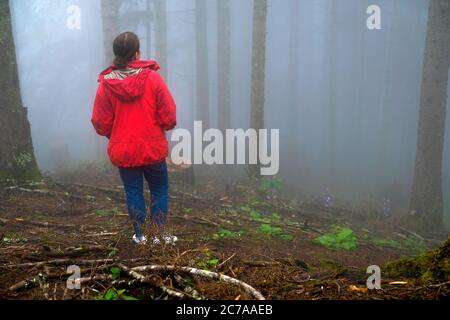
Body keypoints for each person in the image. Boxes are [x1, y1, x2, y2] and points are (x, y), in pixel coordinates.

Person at [91, 32, 177, 245]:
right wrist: (163, 127)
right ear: (137, 54)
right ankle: (158, 235)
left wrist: (117, 135)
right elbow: (169, 114)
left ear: (117, 54)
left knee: (133, 191)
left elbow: (100, 121)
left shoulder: (106, 84)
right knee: (159, 189)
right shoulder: (153, 78)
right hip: (152, 147)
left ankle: (140, 235)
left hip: (124, 151)